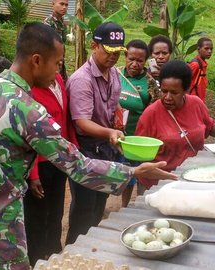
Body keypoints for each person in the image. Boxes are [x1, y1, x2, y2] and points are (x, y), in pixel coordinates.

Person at [0, 22, 176, 269]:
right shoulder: (29, 111)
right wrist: (132, 171)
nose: (58, 73)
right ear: (36, 60)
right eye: (57, 64)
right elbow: (78, 166)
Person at [65, 22, 129, 245]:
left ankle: (91, 250)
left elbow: (112, 107)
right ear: (94, 45)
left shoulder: (114, 75)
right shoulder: (82, 80)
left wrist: (117, 119)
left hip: (106, 148)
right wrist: (110, 131)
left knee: (99, 205)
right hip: (86, 151)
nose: (113, 57)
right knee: (84, 207)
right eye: (108, 50)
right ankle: (73, 253)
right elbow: (81, 123)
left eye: (117, 52)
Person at [135, 60, 215, 193]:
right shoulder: (150, 114)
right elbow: (140, 153)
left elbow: (210, 126)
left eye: (174, 92)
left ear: (186, 90)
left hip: (193, 179)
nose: (167, 97)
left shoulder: (196, 104)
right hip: (158, 185)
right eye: (164, 91)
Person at [23, 71, 76, 266]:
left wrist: (71, 149)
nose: (57, 67)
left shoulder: (58, 79)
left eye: (59, 62)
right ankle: (36, 257)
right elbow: (28, 138)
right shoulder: (30, 89)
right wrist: (33, 173)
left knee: (56, 210)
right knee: (37, 214)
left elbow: (64, 117)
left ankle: (53, 251)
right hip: (40, 161)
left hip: (59, 158)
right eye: (55, 61)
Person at [117, 39, 160, 207]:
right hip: (117, 135)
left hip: (138, 137)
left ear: (145, 61)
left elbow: (155, 108)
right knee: (119, 172)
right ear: (125, 57)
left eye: (140, 61)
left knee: (135, 173)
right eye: (131, 59)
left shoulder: (150, 82)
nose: (134, 64)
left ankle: (129, 206)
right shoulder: (116, 74)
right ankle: (122, 205)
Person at [44, 0, 69, 81]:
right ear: (53, 4)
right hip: (51, 64)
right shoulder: (48, 23)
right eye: (61, 4)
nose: (64, 7)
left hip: (60, 62)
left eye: (66, 5)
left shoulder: (62, 23)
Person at [188, 37, 213, 103]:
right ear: (198, 49)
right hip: (192, 101)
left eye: (211, 49)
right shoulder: (195, 65)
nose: (210, 51)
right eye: (206, 48)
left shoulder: (203, 65)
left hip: (199, 100)